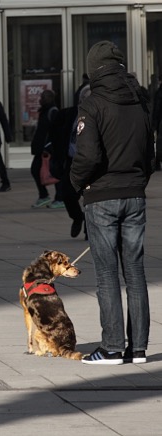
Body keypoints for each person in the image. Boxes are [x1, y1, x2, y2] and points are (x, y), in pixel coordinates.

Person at [70, 40, 155, 365]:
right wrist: (137, 182)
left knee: (107, 274)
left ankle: (112, 347)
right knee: (135, 271)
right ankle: (138, 348)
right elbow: (150, 154)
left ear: (93, 69)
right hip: (134, 193)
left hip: (102, 195)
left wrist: (77, 183)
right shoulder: (138, 101)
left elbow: (87, 155)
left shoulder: (92, 105)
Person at [50, 84, 91, 238]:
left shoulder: (99, 115)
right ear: (81, 100)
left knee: (90, 197)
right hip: (72, 161)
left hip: (91, 163)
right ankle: (77, 217)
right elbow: (54, 130)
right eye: (86, 98)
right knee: (67, 195)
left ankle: (89, 228)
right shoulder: (70, 114)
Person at [30, 89, 63, 208]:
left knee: (54, 172)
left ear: (49, 98)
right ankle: (44, 195)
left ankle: (59, 198)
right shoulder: (44, 111)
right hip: (41, 149)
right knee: (36, 170)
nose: (40, 99)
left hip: (49, 149)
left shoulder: (53, 112)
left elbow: (57, 131)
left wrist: (49, 146)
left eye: (43, 97)